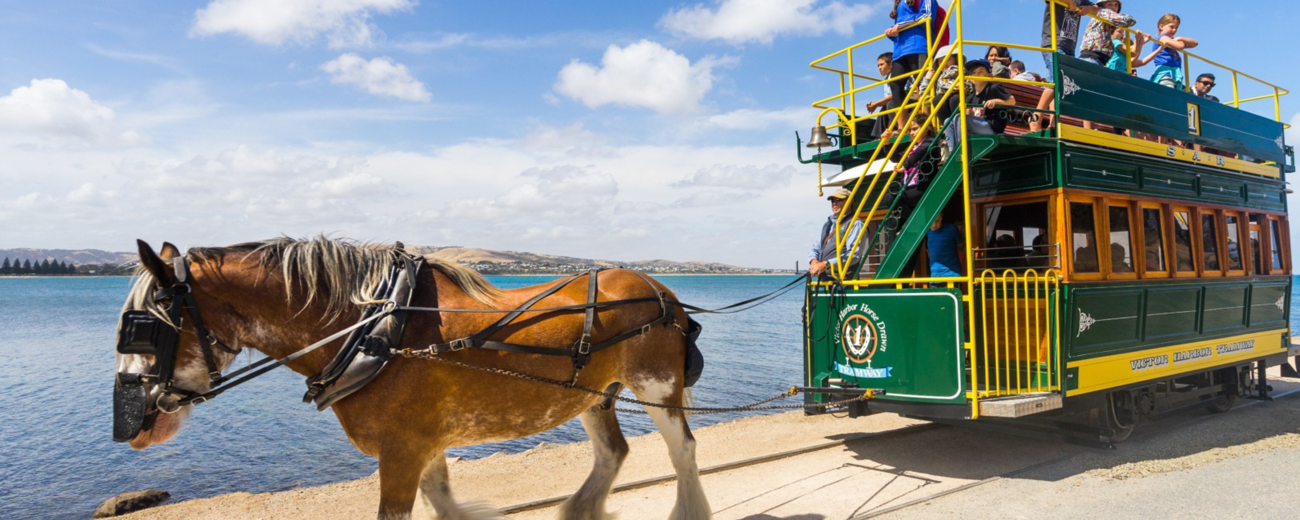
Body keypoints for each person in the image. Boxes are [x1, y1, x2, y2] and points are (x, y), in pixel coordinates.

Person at [1029, 0, 1099, 133]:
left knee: (1061, 85)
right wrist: (1069, 2)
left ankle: (1053, 123)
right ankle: (1035, 117)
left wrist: (1088, 9)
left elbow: (1096, 7)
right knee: (1056, 80)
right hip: (1054, 43)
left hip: (1069, 47)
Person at [884, 0, 940, 135]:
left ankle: (928, 123)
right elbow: (902, 28)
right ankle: (902, 127)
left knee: (924, 83)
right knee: (895, 84)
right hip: (900, 50)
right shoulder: (899, 3)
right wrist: (892, 32)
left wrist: (901, 25)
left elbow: (926, 16)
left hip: (919, 45)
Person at [941, 60, 1016, 151]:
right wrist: (969, 113)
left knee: (961, 118)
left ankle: (960, 150)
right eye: (973, 73)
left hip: (992, 128)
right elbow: (973, 116)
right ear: (970, 78)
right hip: (978, 126)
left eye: (981, 71)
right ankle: (953, 151)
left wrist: (996, 101)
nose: (976, 75)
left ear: (989, 75)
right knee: (948, 121)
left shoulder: (994, 88)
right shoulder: (971, 97)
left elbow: (1012, 101)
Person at [808, 188, 865, 279]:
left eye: (838, 200)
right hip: (825, 279)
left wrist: (826, 264)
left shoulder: (856, 224)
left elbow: (853, 255)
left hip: (843, 282)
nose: (834, 203)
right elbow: (816, 247)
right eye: (832, 201)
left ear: (849, 202)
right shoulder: (828, 224)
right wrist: (813, 261)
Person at [1133, 13, 1199, 90]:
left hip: (1174, 74)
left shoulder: (1172, 39)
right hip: (1166, 74)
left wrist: (1180, 38)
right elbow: (1180, 46)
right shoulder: (1162, 38)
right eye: (1171, 27)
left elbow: (1195, 43)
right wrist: (1181, 43)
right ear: (1161, 26)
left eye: (1176, 27)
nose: (1174, 30)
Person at [1078, 0, 1136, 67]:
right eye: (1109, 4)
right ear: (1102, 5)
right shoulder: (1103, 12)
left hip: (1099, 60)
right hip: (1092, 58)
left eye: (1116, 5)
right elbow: (1130, 20)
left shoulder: (1109, 19)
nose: (1113, 7)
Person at [865, 52, 896, 140]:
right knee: (884, 108)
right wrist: (876, 104)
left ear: (891, 64)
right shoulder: (887, 80)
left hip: (906, 100)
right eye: (878, 66)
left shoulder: (896, 76)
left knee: (890, 104)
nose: (879, 68)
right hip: (894, 102)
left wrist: (877, 103)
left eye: (882, 64)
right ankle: (877, 135)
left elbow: (895, 95)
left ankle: (897, 129)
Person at [928, 213, 963, 280]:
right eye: (931, 221)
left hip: (952, 276)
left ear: (941, 217)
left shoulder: (952, 229)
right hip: (934, 277)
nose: (934, 225)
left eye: (937, 221)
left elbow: (962, 248)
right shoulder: (926, 232)